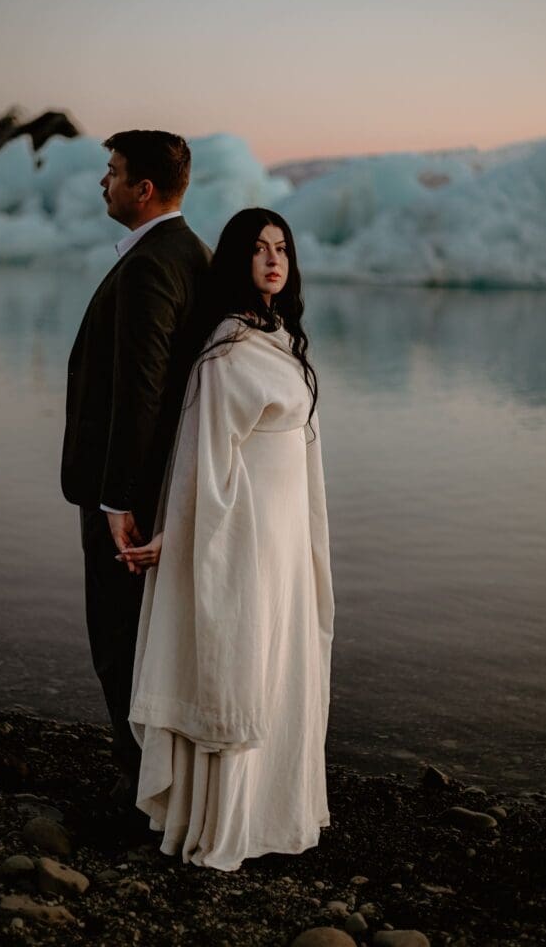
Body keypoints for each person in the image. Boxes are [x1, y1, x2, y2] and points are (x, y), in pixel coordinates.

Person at [118, 207, 335, 870]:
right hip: (247, 539)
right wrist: (177, 534)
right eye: (258, 248)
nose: (273, 259)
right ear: (238, 260)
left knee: (280, 661)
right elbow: (203, 459)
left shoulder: (279, 338)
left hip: (285, 540)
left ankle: (273, 811)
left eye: (282, 248)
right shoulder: (228, 349)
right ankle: (224, 823)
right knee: (246, 662)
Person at [61, 130, 211, 810]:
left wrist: (117, 499)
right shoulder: (192, 255)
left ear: (143, 189)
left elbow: (141, 389)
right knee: (152, 640)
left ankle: (136, 788)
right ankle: (159, 783)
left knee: (119, 638)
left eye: (113, 171)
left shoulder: (153, 264)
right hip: (165, 484)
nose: (104, 182)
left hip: (130, 494)